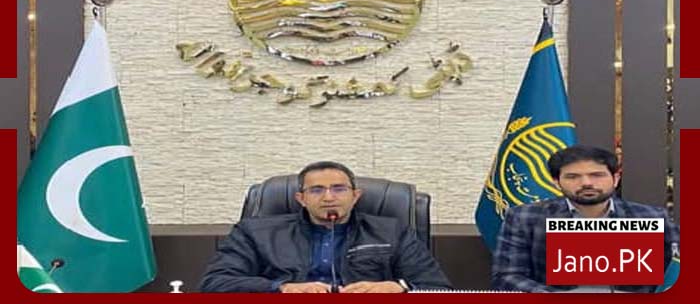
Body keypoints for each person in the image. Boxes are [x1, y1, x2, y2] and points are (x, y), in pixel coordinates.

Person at [200, 161, 452, 293]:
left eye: (339, 189)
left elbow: (438, 288)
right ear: (301, 198)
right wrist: (282, 288)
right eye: (317, 190)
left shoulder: (392, 231)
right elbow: (215, 283)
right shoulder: (255, 233)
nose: (329, 197)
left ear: (355, 196)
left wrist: (399, 287)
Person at [491, 145, 680, 293]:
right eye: (573, 177)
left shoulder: (652, 217)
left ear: (615, 178)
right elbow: (507, 277)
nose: (586, 183)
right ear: (556, 182)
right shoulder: (525, 217)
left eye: (597, 175)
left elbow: (677, 270)